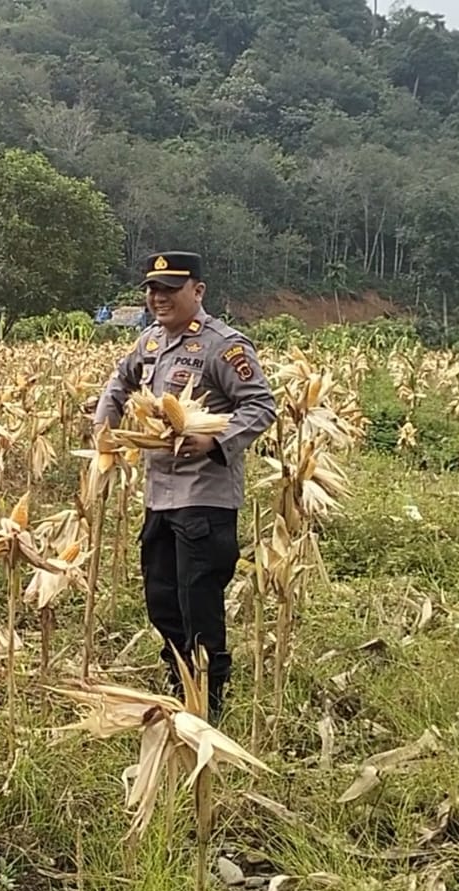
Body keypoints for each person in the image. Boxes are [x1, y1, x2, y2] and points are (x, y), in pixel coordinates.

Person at [91, 251, 276, 721]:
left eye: (170, 289)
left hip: (205, 500)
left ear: (198, 290)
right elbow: (119, 382)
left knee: (199, 605)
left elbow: (260, 406)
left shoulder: (223, 346)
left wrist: (214, 442)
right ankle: (180, 685)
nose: (159, 298)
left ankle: (208, 705)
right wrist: (103, 429)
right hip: (159, 497)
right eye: (153, 289)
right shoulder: (150, 341)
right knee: (162, 602)